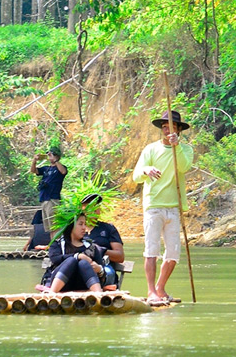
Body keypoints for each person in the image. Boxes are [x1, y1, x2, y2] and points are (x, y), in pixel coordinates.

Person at [131, 109, 193, 305]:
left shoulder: (185, 150)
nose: (167, 130)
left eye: (171, 127)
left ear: (178, 130)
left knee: (173, 253)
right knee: (151, 250)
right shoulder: (150, 150)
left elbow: (183, 167)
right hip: (154, 206)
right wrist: (146, 169)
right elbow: (136, 176)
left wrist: (177, 147)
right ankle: (151, 291)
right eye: (165, 127)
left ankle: (160, 287)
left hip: (174, 207)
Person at [39, 209, 107, 295]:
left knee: (84, 263)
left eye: (85, 224)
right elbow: (55, 259)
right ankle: (52, 294)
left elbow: (103, 271)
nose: (84, 228)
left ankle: (99, 294)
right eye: (80, 224)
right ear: (70, 226)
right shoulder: (58, 243)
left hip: (82, 284)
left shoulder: (91, 247)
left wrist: (99, 269)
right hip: (62, 284)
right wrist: (77, 256)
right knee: (72, 261)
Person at [79, 192, 124, 290]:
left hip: (104, 266)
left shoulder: (108, 228)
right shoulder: (75, 229)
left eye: (96, 206)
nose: (94, 209)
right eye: (90, 206)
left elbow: (120, 256)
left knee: (108, 272)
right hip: (81, 265)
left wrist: (98, 250)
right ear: (82, 208)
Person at [29, 146, 68, 239]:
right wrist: (34, 160)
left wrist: (55, 161)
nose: (50, 156)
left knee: (55, 226)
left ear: (57, 156)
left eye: (52, 154)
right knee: (50, 227)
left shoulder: (60, 168)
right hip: (44, 199)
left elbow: (63, 172)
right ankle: (53, 246)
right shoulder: (46, 168)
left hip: (53, 199)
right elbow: (33, 171)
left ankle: (57, 246)